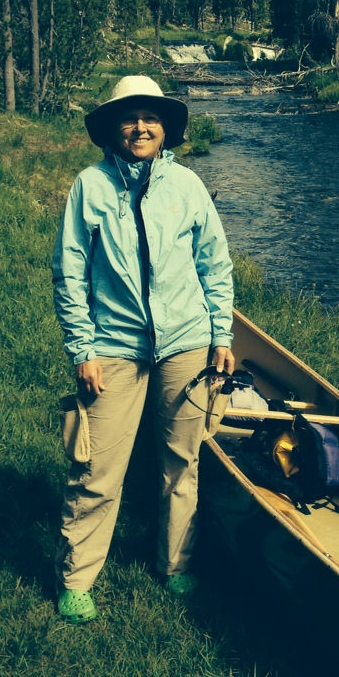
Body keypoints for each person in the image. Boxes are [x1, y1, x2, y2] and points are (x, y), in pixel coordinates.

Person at [52, 75, 234, 624]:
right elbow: (70, 271)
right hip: (113, 346)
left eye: (150, 117)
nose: (140, 126)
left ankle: (174, 565)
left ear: (165, 128)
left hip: (185, 342)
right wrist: (83, 348)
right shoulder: (89, 186)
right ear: (112, 127)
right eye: (129, 117)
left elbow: (214, 264)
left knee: (183, 463)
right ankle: (77, 580)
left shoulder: (188, 187)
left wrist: (220, 335)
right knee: (97, 468)